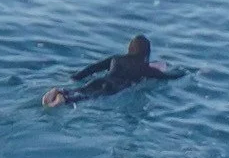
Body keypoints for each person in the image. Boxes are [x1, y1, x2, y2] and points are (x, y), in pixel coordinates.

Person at [43, 35, 185, 108]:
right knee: (86, 98)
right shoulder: (145, 69)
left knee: (83, 90)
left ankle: (61, 91)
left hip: (100, 80)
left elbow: (93, 68)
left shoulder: (116, 59)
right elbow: (168, 77)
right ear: (146, 53)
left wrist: (75, 77)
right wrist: (186, 72)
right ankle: (64, 99)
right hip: (113, 88)